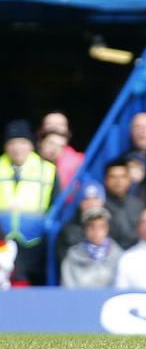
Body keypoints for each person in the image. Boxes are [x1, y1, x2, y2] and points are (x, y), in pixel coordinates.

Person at [0, 120, 57, 286]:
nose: (17, 148)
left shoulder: (47, 169)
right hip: (2, 240)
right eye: (12, 143)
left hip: (34, 240)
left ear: (31, 146)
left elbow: (56, 204)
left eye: (22, 142)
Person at [60, 207, 123, 288]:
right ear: (85, 230)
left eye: (101, 227)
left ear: (107, 229)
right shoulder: (72, 257)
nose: (96, 231)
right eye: (91, 227)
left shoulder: (120, 257)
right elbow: (67, 288)